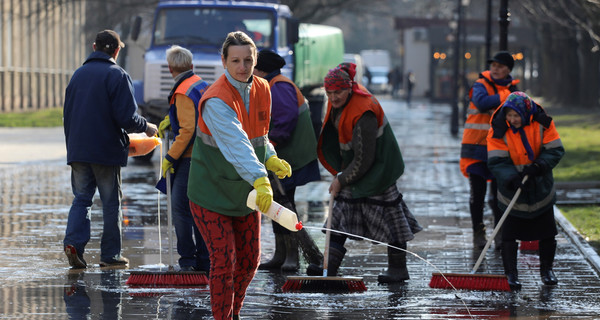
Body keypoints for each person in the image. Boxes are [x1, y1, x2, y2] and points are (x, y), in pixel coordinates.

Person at [187, 31, 291, 320]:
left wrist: (271, 158)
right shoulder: (216, 100)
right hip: (210, 192)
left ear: (255, 60)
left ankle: (234, 313)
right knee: (223, 261)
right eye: (235, 61)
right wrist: (261, 178)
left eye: (248, 60)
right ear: (224, 61)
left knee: (249, 261)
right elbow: (238, 145)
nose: (242, 67)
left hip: (244, 192)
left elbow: (259, 136)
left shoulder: (262, 89)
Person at [307, 62, 422, 284]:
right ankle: (328, 267)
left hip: (381, 169)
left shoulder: (364, 111)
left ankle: (398, 269)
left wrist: (342, 178)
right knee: (340, 215)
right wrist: (341, 173)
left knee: (391, 217)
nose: (333, 98)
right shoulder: (340, 103)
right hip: (356, 166)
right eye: (329, 93)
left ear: (349, 88)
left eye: (338, 92)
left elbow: (365, 158)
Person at [63, 30, 158, 269]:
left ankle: (73, 244)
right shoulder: (118, 75)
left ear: (94, 46)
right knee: (110, 202)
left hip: (78, 150)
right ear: (117, 50)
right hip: (105, 151)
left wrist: (72, 148)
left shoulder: (77, 75)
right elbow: (126, 118)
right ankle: (110, 255)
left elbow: (67, 115)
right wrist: (147, 127)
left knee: (81, 199)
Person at [252, 49, 323, 272]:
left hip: (290, 157)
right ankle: (282, 255)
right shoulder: (273, 84)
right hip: (283, 156)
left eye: (253, 66)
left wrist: (268, 146)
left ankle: (294, 255)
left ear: (261, 69)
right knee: (278, 204)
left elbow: (284, 121)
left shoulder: (279, 86)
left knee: (285, 204)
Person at [487, 91, 564, 290]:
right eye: (509, 115)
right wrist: (511, 178)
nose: (512, 120)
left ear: (526, 113)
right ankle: (511, 274)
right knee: (509, 233)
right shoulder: (498, 129)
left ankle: (547, 270)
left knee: (547, 231)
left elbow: (555, 149)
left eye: (516, 116)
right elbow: (497, 160)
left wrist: (539, 166)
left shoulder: (543, 123)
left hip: (540, 185)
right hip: (512, 188)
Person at [157, 45, 210, 272]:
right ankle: (204, 260)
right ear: (191, 66)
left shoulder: (182, 91)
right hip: (206, 156)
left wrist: (170, 156)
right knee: (199, 209)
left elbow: (188, 130)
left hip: (190, 158)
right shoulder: (201, 84)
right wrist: (172, 120)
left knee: (181, 209)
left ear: (170, 69)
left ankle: (187, 261)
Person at [459, 51, 519, 250]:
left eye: (501, 66)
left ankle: (499, 231)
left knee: (499, 195)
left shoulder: (515, 89)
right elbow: (482, 103)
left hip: (501, 148)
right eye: (494, 64)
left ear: (508, 70)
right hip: (475, 147)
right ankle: (478, 233)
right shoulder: (480, 84)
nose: (495, 68)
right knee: (478, 194)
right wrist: (504, 96)